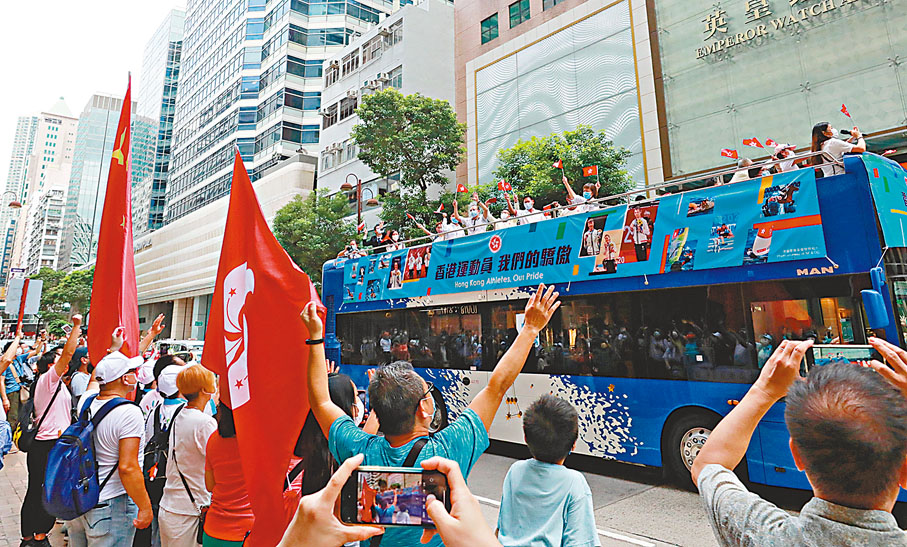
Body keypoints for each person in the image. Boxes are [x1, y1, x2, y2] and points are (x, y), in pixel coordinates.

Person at [301, 283, 560, 547]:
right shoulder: (448, 451)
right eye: (427, 393)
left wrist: (315, 337)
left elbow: (320, 401)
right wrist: (530, 329)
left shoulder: (357, 448)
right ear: (423, 409)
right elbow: (497, 386)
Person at [691, 337, 907, 546]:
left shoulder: (763, 534)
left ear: (797, 455)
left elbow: (707, 465)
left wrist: (763, 391)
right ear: (904, 470)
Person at [72, 332, 154, 547]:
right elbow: (128, 467)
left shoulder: (87, 402)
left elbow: (94, 379)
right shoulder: (129, 412)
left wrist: (113, 351)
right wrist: (145, 507)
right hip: (112, 504)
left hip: (83, 498)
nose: (135, 375)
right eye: (131, 371)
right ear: (124, 378)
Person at [496, 395, 598, 547]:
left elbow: (501, 528)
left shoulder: (515, 471)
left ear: (525, 437)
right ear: (573, 444)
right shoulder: (574, 483)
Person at [19, 317, 82, 547]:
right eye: (57, 361)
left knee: (42, 489)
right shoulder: (48, 380)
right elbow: (66, 355)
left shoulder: (56, 384)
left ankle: (35, 535)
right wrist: (75, 327)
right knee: (42, 490)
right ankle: (34, 536)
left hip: (52, 443)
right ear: (49, 366)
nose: (64, 363)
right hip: (47, 444)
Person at [159, 365, 218, 547]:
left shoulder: (180, 414)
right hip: (190, 510)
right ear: (204, 390)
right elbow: (216, 462)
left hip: (172, 505)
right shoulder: (204, 423)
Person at [203, 404, 254, 546]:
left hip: (213, 531)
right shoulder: (256, 442)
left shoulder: (213, 439)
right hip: (246, 533)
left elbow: (209, 485)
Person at [1, 335, 41, 437]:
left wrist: (42, 340)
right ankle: (7, 440)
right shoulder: (5, 363)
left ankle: (14, 438)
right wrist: (5, 398)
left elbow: (36, 352)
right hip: (11, 392)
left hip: (21, 390)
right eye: (17, 347)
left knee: (21, 416)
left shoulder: (19, 359)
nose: (19, 349)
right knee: (12, 417)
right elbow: (1, 381)